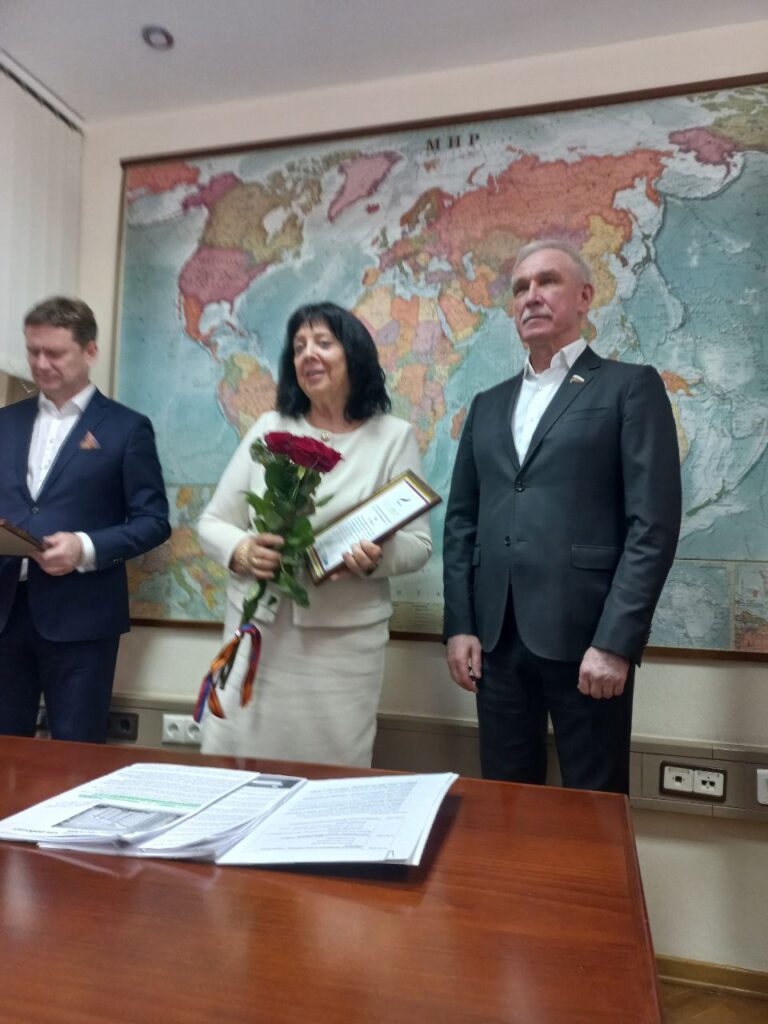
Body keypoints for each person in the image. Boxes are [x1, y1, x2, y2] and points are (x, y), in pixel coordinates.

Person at [443, 240, 681, 793]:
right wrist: (460, 626)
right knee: (505, 803)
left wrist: (616, 642)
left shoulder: (629, 387)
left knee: (594, 808)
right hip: (496, 645)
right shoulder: (487, 405)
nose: (531, 296)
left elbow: (652, 526)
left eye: (547, 281)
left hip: (588, 643)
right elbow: (461, 524)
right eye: (520, 288)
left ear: (585, 296)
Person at [198, 301, 432, 766]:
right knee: (238, 769)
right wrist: (242, 550)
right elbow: (211, 523)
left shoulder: (393, 437)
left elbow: (419, 545)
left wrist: (376, 558)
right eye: (299, 346)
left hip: (342, 650)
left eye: (323, 343)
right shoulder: (270, 429)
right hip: (260, 638)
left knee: (330, 775)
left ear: (354, 355)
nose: (308, 354)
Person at [0, 297, 171, 742]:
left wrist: (84, 547)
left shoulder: (127, 428)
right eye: (33, 351)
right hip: (5, 613)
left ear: (89, 351)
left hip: (82, 619)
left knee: (77, 752)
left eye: (55, 353)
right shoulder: (5, 423)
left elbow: (153, 521)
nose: (41, 363)